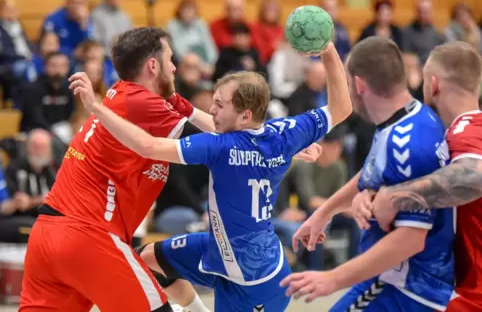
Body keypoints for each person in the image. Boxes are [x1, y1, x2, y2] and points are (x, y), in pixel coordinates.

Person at [70, 41, 352, 311]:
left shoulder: (221, 147)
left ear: (244, 116)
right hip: (222, 249)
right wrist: (327, 50)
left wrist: (95, 108)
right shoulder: (284, 132)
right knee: (147, 258)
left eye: (219, 105)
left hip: (254, 281)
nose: (212, 110)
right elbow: (342, 107)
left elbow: (148, 146)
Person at [19, 27, 218, 312]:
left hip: (47, 236)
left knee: (149, 262)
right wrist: (283, 143)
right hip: (88, 235)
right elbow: (222, 139)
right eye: (170, 59)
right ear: (153, 65)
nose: (174, 67)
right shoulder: (144, 104)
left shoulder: (123, 95)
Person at [281, 37, 455, 311]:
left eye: (349, 84)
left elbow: (410, 239)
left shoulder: (407, 143)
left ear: (359, 85)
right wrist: (325, 212)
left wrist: (333, 278)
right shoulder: (410, 117)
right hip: (397, 278)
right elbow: (373, 168)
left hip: (404, 286)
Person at [365, 41, 482, 312]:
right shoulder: (448, 134)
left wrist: (396, 198)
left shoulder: (466, 129)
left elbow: (474, 177)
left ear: (433, 84)